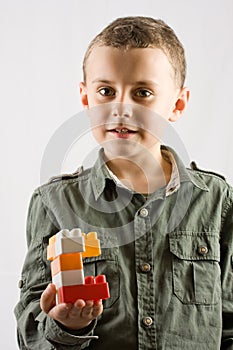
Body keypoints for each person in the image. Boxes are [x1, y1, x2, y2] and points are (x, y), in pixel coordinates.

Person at [14, 16, 233, 350]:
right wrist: (64, 326)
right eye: (106, 91)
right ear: (86, 98)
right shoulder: (54, 202)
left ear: (177, 104)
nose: (121, 108)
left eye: (143, 92)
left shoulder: (217, 200)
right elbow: (30, 333)